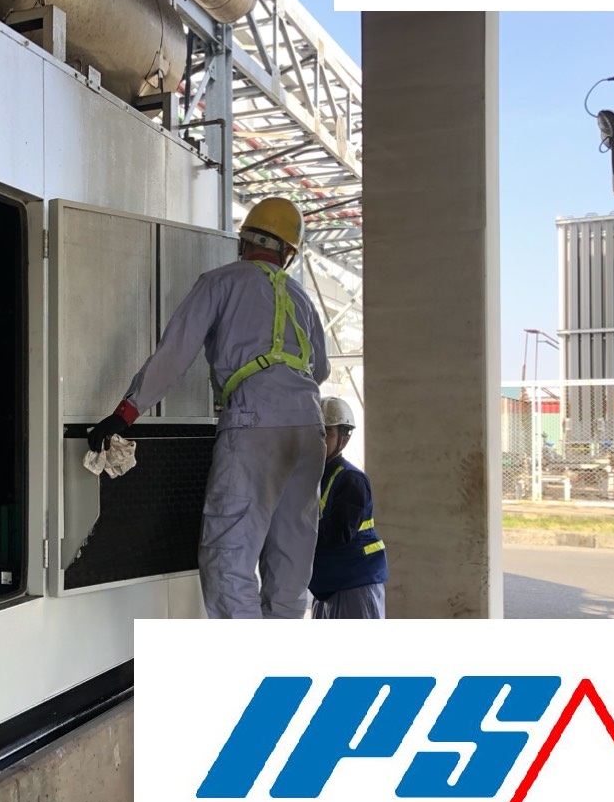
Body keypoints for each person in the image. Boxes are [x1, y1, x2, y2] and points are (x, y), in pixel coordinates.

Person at [87, 198, 329, 619]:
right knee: (291, 561)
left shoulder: (220, 282)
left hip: (254, 424)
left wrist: (125, 412)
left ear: (244, 240)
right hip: (309, 430)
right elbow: (320, 370)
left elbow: (175, 354)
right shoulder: (302, 299)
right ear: (288, 253)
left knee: (228, 558)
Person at [309, 397, 388, 619]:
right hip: (327, 582)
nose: (318, 440)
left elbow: (337, 534)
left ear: (344, 439)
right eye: (314, 432)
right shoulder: (312, 477)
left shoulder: (351, 480)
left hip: (355, 581)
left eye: (326, 433)